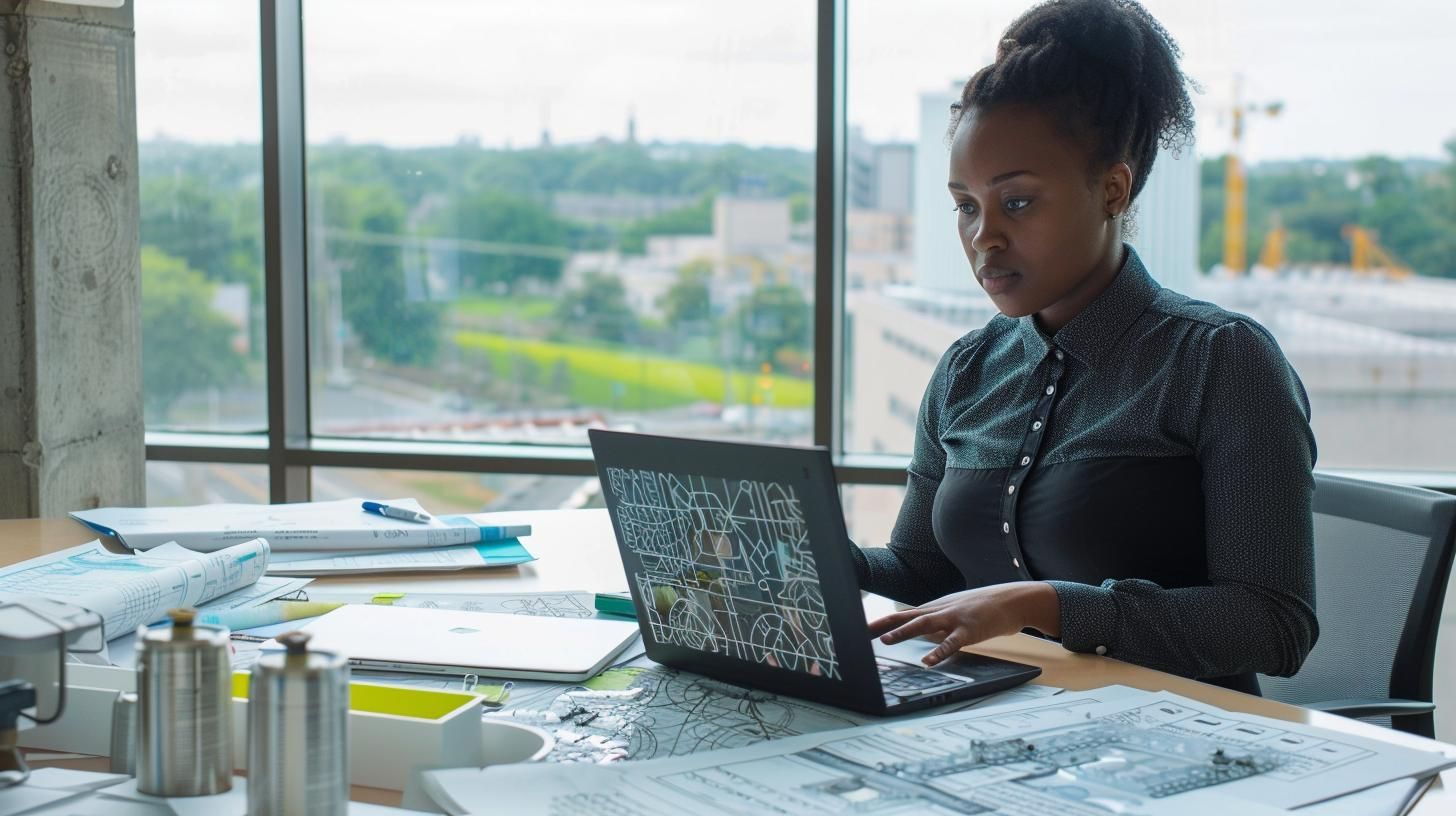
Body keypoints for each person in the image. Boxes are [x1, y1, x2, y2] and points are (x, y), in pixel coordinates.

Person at [852, 0, 1317, 694]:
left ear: (1111, 189)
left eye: (1016, 202)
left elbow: (1273, 624)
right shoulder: (966, 370)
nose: (983, 237)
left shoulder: (1219, 360)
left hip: (1177, 751)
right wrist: (810, 556)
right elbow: (923, 573)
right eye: (966, 205)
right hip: (993, 735)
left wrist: (1050, 605)